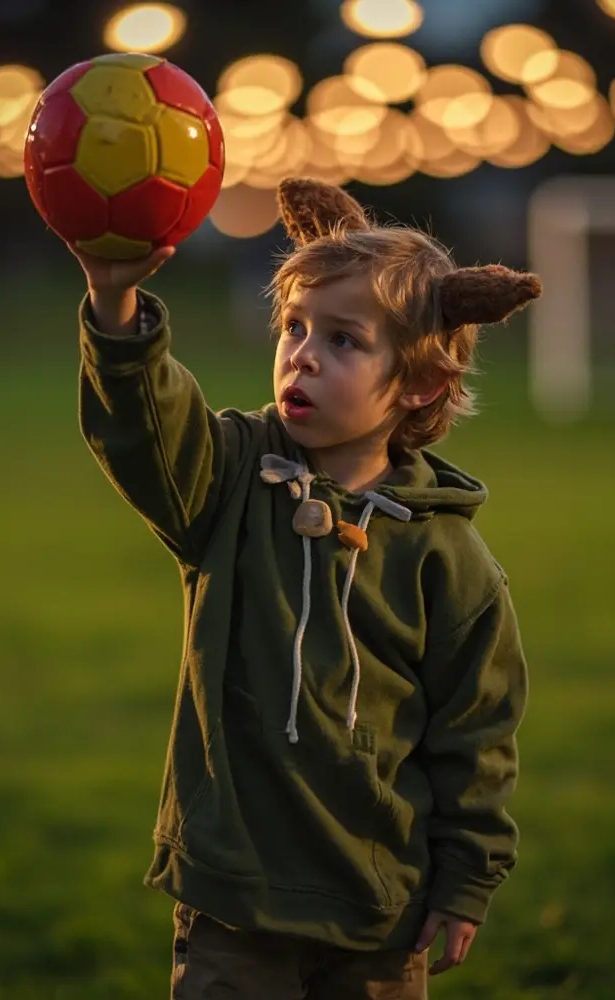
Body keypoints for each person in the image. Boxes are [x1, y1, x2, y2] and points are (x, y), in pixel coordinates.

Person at [72, 177, 541, 999]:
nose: (303, 353)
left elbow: (476, 734)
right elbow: (147, 431)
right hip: (236, 898)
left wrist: (468, 878)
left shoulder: (450, 560)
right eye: (294, 326)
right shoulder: (229, 482)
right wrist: (116, 309)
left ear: (422, 381)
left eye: (345, 340)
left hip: (378, 909)